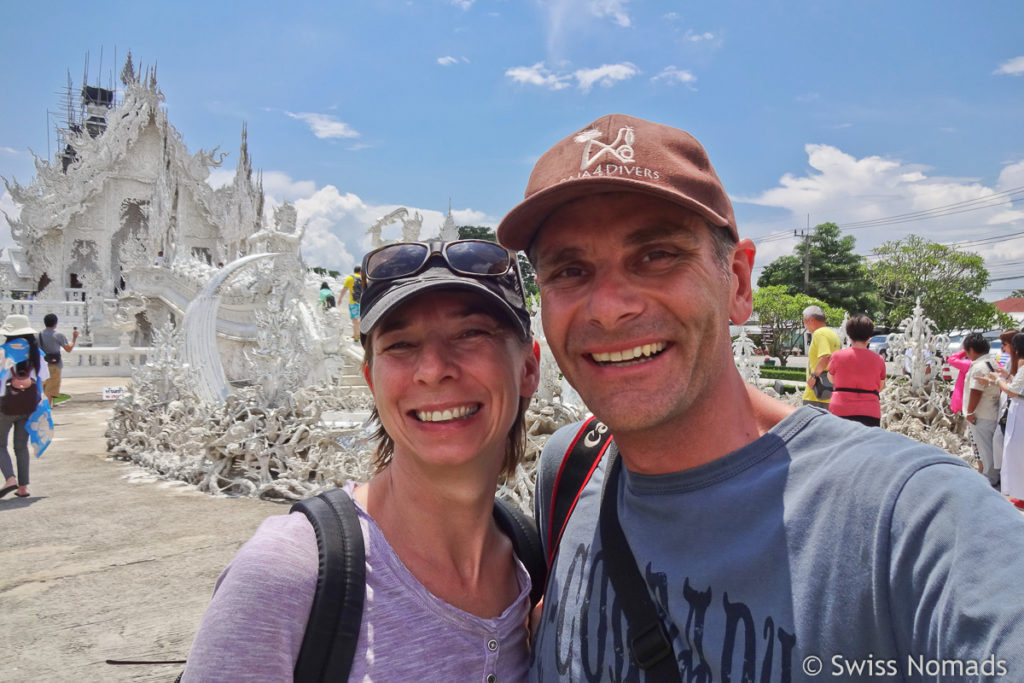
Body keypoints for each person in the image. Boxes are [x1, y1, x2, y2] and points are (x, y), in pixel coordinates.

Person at [495, 113, 1024, 680]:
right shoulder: (570, 471)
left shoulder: (909, 518)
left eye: (657, 255)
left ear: (739, 284)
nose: (608, 306)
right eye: (569, 270)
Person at [182, 239, 540, 681]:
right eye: (401, 344)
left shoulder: (534, 567)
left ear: (528, 368)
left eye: (470, 334)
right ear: (371, 378)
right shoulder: (286, 577)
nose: (432, 368)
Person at [0, 314, 49, 499]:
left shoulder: (2, 351)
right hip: (29, 406)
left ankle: (10, 478)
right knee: (21, 446)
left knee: (0, 445)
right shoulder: (37, 353)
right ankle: (23, 488)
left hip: (4, 406)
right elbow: (43, 378)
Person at [826, 314, 886, 427]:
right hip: (869, 411)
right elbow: (881, 386)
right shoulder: (879, 359)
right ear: (869, 337)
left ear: (849, 336)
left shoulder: (837, 356)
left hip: (840, 408)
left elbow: (831, 378)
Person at [963, 332, 1001, 487]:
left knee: (984, 448)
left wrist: (970, 412)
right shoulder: (992, 363)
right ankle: (990, 475)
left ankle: (989, 479)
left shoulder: (979, 367)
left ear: (971, 349)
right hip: (992, 411)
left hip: (981, 414)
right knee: (990, 448)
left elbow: (976, 391)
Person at [995, 332, 1024, 510]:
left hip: (1020, 410)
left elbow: (1013, 391)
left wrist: (998, 380)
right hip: (1019, 409)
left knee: (1016, 449)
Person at [802, 304, 840, 406]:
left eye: (804, 321)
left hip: (816, 395)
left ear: (811, 320)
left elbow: (825, 357)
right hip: (830, 393)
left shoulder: (819, 333)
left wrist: (814, 376)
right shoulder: (833, 334)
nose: (805, 325)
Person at [38, 313, 78, 408]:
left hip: (41, 365)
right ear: (56, 323)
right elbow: (68, 349)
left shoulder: (38, 335)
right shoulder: (58, 335)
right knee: (50, 392)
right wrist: (74, 338)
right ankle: (46, 413)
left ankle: (40, 413)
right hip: (54, 366)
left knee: (41, 391)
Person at [339, 265, 363, 341]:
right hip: (363, 302)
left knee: (355, 320)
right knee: (360, 319)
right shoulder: (364, 279)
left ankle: (356, 336)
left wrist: (340, 299)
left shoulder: (350, 278)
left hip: (354, 302)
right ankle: (358, 335)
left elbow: (344, 290)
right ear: (360, 271)